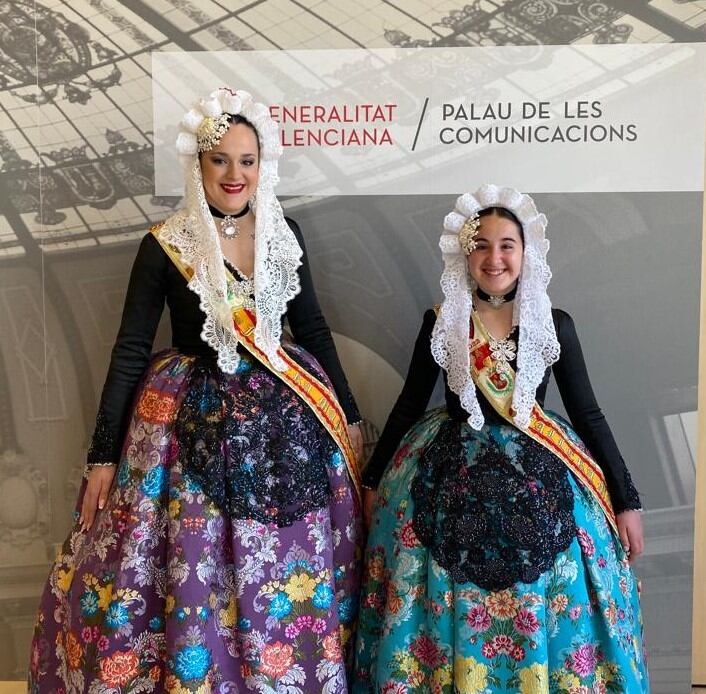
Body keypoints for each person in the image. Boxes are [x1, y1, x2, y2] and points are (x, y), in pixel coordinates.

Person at [29, 87, 363, 693]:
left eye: (247, 161)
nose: (234, 174)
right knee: (194, 561)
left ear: (264, 165)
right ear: (197, 166)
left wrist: (352, 416)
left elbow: (310, 325)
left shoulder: (284, 233)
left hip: (282, 424)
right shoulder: (164, 243)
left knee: (282, 562)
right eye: (220, 160)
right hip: (185, 425)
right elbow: (130, 349)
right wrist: (103, 453)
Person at [353, 185, 648, 693]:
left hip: (541, 468)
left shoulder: (553, 324)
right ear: (463, 253)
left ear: (526, 252)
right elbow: (407, 404)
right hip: (446, 469)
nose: (495, 257)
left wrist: (625, 501)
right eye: (482, 244)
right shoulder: (441, 321)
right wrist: (373, 480)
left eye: (507, 244)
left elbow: (589, 413)